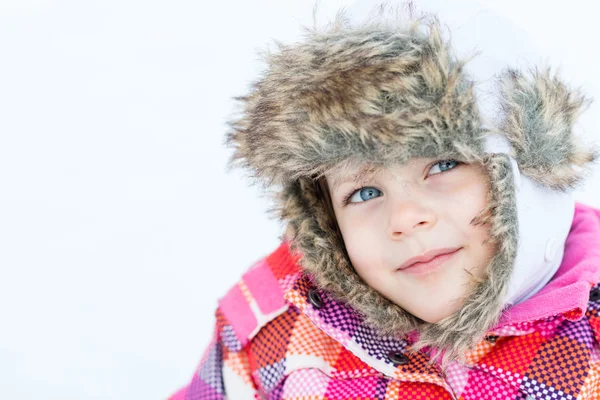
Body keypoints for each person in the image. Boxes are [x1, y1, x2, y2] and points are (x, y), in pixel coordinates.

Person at [169, 3, 600, 399]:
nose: (406, 218)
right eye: (365, 192)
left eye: (444, 165)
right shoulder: (273, 325)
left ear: (523, 169)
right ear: (325, 218)